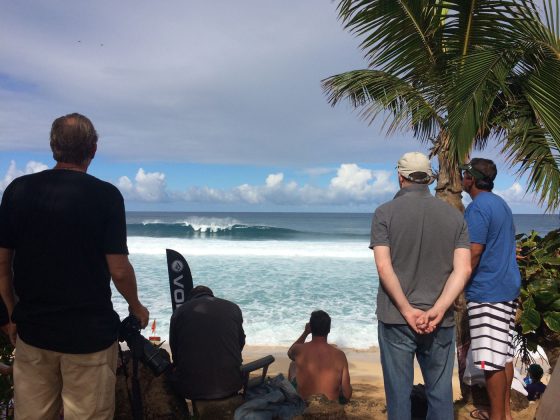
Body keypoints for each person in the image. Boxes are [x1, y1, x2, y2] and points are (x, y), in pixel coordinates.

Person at [0, 113, 149, 420]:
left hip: (34, 335)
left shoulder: (18, 191)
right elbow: (119, 269)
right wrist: (136, 307)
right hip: (89, 339)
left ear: (53, 146)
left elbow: (1, 264)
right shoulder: (106, 196)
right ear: (93, 149)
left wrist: (9, 316)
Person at [370, 152, 472, 420]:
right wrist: (439, 309)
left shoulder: (384, 213)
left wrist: (406, 310)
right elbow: (464, 269)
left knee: (399, 395)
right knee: (440, 394)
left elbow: (384, 267)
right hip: (440, 320)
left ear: (400, 177)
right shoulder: (454, 217)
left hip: (396, 319)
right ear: (429, 178)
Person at [461, 158, 521, 420]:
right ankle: (504, 414)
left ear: (471, 179)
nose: (462, 178)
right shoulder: (500, 204)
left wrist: (456, 287)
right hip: (506, 287)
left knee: (490, 361)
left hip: (489, 292)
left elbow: (473, 253)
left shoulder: (478, 209)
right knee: (504, 355)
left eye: (464, 174)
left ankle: (498, 418)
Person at [169, 285, 246, 400]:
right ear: (211, 295)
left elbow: (175, 350)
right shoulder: (233, 308)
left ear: (191, 299)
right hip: (231, 384)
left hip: (191, 388)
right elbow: (240, 342)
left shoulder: (179, 312)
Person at [287, 310, 352, 403]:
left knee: (293, 364)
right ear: (329, 329)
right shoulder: (340, 355)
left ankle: (293, 401)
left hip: (305, 406)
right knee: (344, 383)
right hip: (330, 408)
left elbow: (290, 353)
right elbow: (347, 394)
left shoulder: (299, 350)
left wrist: (305, 333)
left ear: (311, 328)